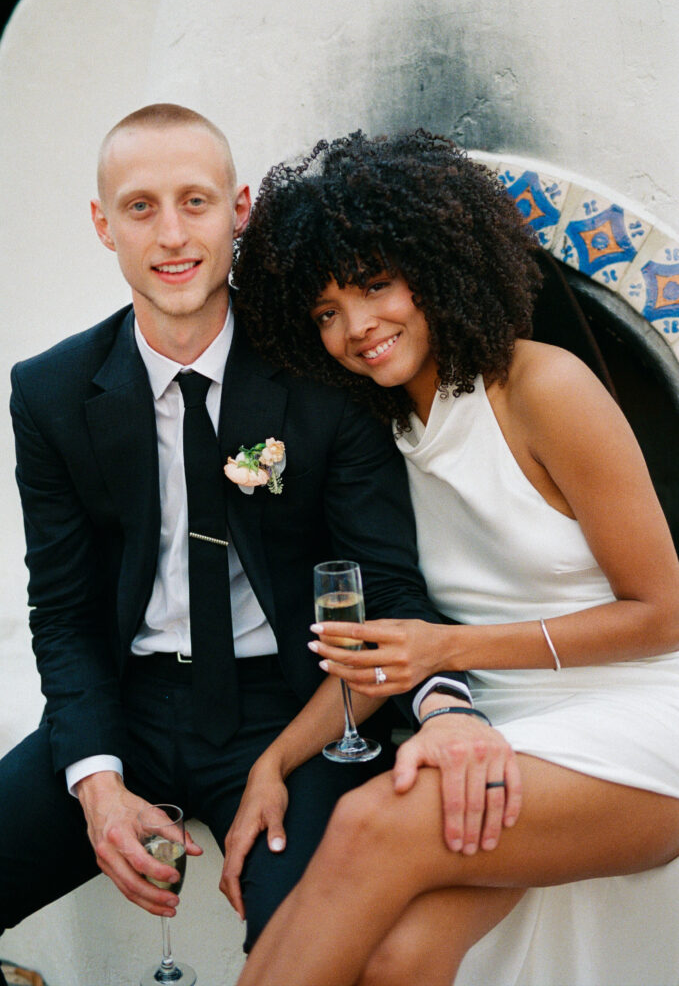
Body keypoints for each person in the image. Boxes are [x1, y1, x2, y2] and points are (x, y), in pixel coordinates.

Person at [0, 108, 521, 982]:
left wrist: (444, 705)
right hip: (121, 708)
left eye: (195, 201)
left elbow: (388, 583)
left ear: (238, 209)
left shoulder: (323, 382)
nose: (171, 235)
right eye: (139, 207)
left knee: (303, 949)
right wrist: (96, 783)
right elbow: (62, 614)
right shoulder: (50, 391)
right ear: (103, 225)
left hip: (288, 714)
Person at [229, 129, 679, 986]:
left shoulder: (542, 388)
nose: (357, 327)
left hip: (642, 723)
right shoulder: (386, 429)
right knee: (404, 959)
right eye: (326, 311)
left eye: (373, 285)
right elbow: (392, 650)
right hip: (504, 737)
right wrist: (273, 762)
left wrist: (452, 652)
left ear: (435, 267)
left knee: (371, 820)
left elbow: (664, 614)